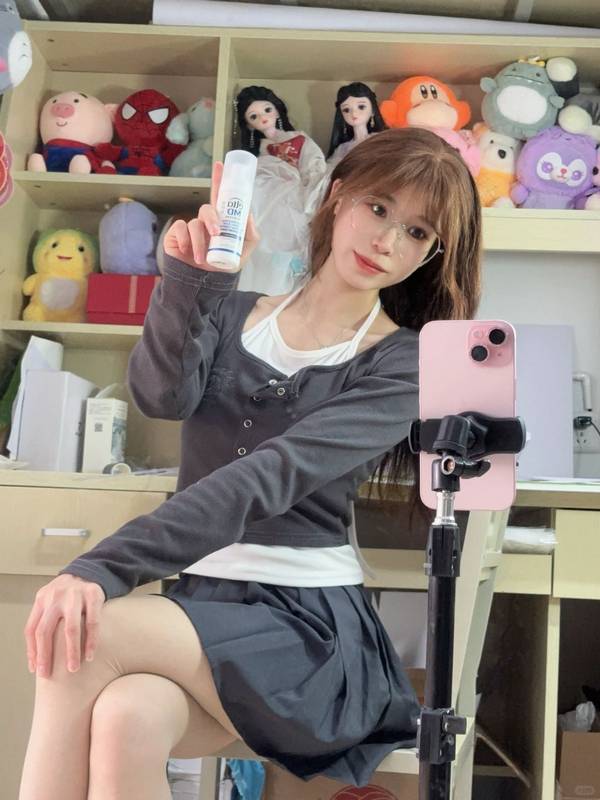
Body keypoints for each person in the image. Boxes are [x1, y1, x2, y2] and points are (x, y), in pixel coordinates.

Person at [19, 127, 482, 800]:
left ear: (431, 254)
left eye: (416, 232)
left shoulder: (404, 362)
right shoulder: (234, 312)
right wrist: (196, 281)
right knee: (125, 718)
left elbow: (272, 475)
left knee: (81, 632)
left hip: (306, 634)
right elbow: (161, 397)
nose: (387, 241)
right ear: (338, 196)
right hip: (204, 607)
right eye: (379, 208)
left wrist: (101, 566)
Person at [234, 85, 327, 295]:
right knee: (264, 245)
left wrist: (309, 195)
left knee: (295, 244)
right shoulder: (259, 151)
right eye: (254, 116)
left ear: (277, 110)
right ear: (248, 124)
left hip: (296, 196)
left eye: (267, 110)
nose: (263, 118)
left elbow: (314, 167)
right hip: (268, 201)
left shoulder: (300, 139)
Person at [326, 82, 387, 168]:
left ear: (372, 110)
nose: (354, 113)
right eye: (346, 110)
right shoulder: (342, 149)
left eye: (361, 107)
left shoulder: (381, 140)